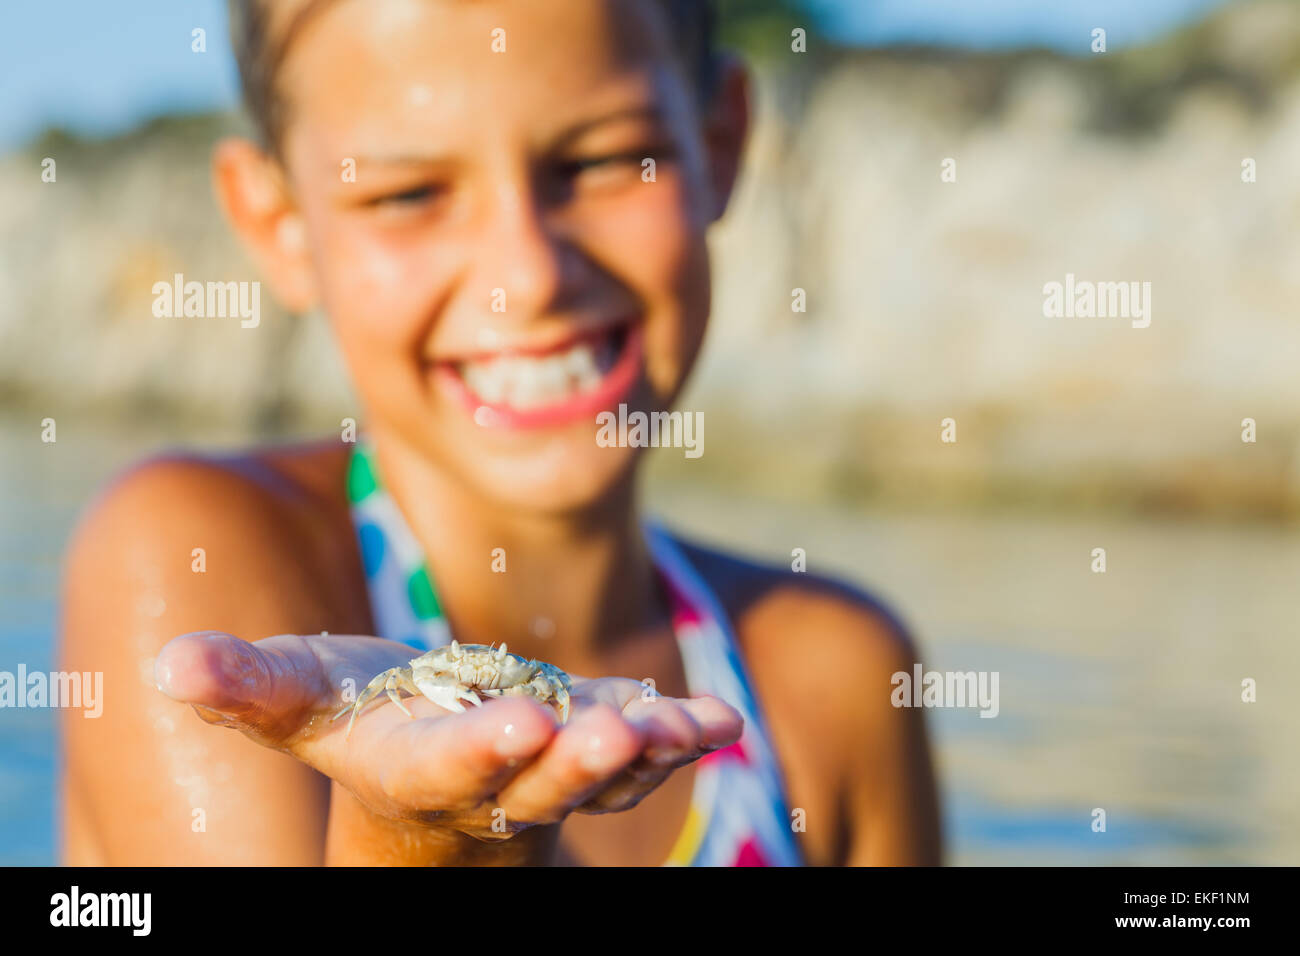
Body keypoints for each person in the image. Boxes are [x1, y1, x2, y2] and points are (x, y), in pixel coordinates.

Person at [58, 0, 941, 866]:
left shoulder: (838, 675)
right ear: (277, 223)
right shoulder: (195, 561)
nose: (525, 278)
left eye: (608, 160)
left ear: (719, 143)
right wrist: (422, 839)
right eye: (407, 192)